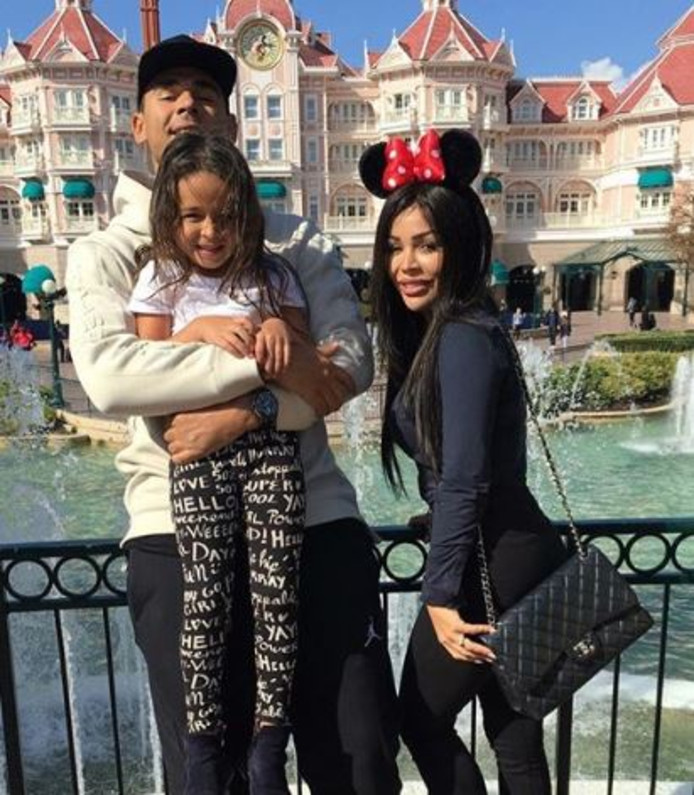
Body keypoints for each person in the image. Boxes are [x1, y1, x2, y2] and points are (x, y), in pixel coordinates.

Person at [66, 35, 400, 795]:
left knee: (357, 760)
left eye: (207, 94)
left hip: (313, 521)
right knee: (211, 771)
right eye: (169, 92)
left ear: (232, 124)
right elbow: (115, 377)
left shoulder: (295, 240)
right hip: (175, 530)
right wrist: (271, 361)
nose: (189, 103)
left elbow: (350, 363)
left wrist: (249, 410)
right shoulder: (107, 253)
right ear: (140, 124)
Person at [359, 129, 567, 794]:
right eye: (395, 246)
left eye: (427, 244)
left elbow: (466, 478)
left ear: (461, 245)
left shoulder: (461, 336)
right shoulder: (462, 330)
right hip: (513, 548)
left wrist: (441, 594)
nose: (407, 264)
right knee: (513, 735)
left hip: (492, 561)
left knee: (419, 720)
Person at [128, 132, 310, 794]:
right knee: (204, 601)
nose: (210, 231)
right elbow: (146, 364)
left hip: (269, 451)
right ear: (170, 218)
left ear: (246, 214)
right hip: (198, 459)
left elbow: (305, 359)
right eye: (193, 216)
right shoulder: (161, 279)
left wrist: (280, 329)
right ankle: (203, 748)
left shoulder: (273, 275)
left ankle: (269, 742)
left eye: (225, 215)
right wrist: (199, 330)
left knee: (276, 596)